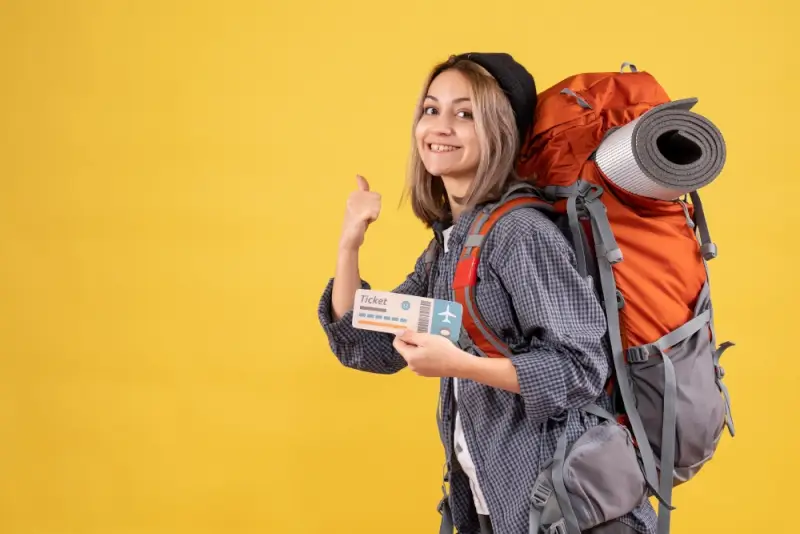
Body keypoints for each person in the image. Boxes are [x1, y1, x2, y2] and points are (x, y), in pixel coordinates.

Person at [316, 53, 658, 534]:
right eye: (431, 109)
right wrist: (350, 243)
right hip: (494, 505)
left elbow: (580, 369)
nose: (440, 126)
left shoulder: (520, 232)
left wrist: (460, 365)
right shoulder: (452, 243)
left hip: (568, 509)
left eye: (465, 114)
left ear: (499, 131)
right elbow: (365, 344)